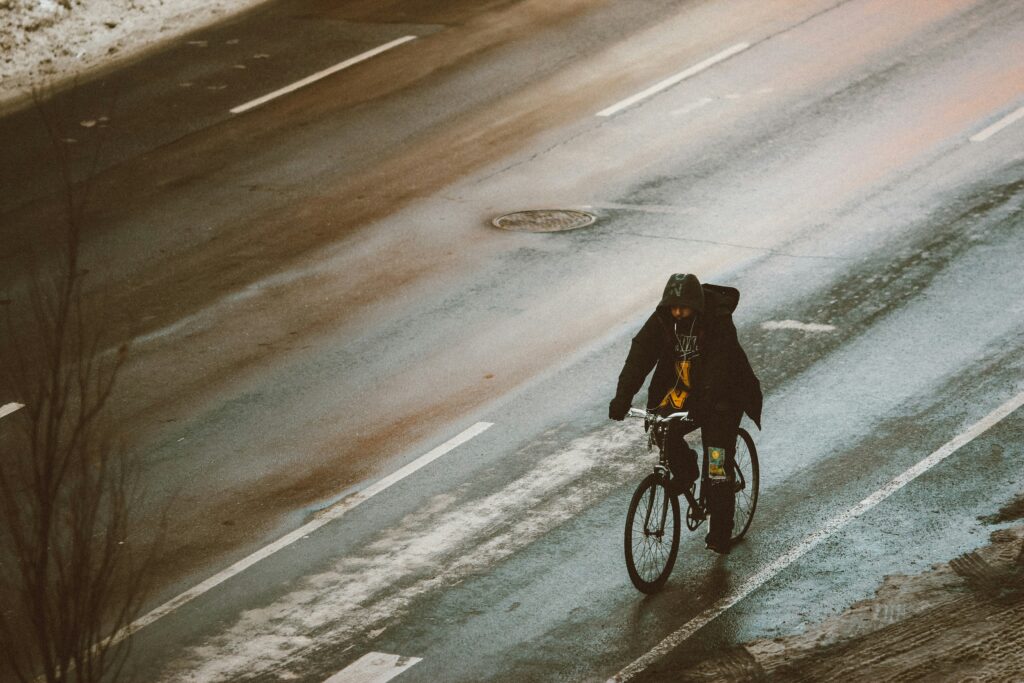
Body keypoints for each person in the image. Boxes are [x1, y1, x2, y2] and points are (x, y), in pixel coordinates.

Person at [609, 273, 762, 554]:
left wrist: (705, 407)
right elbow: (640, 355)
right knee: (661, 427)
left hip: (724, 396)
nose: (677, 313)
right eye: (673, 307)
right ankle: (686, 470)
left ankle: (720, 532)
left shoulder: (718, 320)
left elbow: (720, 366)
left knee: (717, 463)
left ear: (697, 305)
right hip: (687, 393)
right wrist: (622, 397)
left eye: (683, 308)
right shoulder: (665, 320)